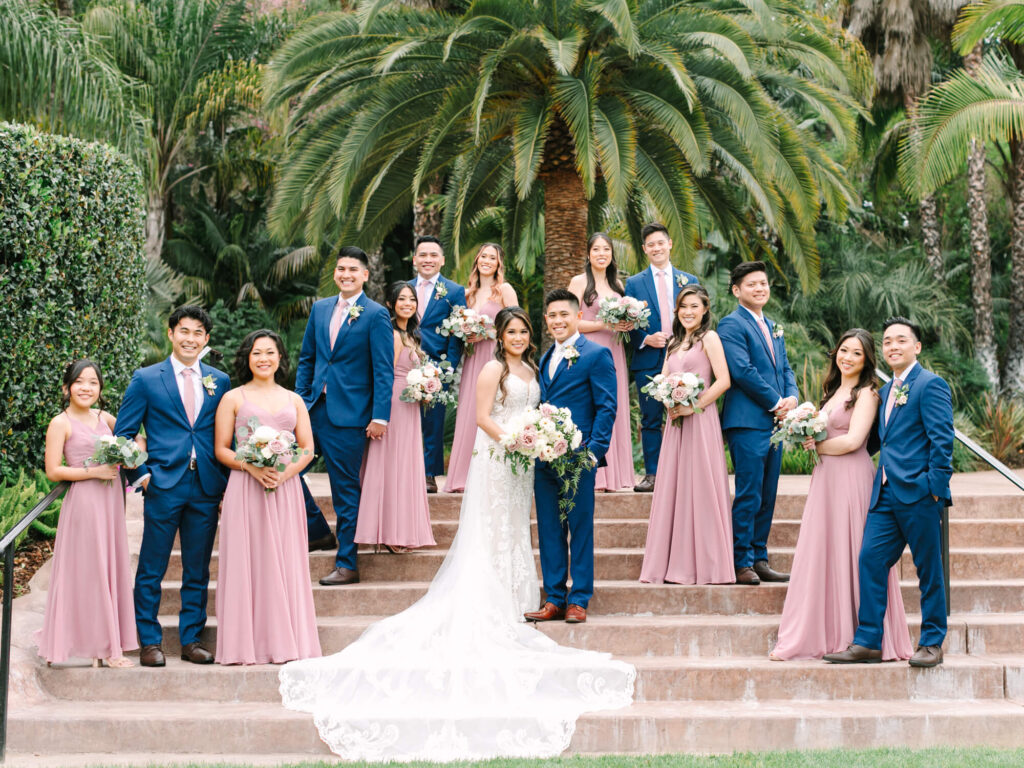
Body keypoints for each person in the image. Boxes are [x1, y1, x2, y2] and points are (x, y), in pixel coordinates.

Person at [279, 307, 634, 761]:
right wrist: (519, 443)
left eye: (526, 330)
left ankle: (574, 597)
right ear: (501, 336)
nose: (520, 336)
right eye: (514, 330)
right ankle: (542, 598)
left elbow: (601, 404)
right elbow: (482, 418)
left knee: (554, 527)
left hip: (550, 457)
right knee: (507, 527)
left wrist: (585, 449)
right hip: (506, 456)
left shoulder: (553, 361)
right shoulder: (498, 367)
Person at [771, 329, 913, 661]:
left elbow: (854, 441)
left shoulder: (867, 394)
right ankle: (822, 632)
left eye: (856, 353)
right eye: (844, 350)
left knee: (852, 550)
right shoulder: (834, 391)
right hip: (826, 479)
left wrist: (816, 444)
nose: (847, 357)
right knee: (825, 550)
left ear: (866, 361)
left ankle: (860, 635)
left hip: (851, 478)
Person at [824, 317, 954, 668]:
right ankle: (868, 641)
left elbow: (943, 442)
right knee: (870, 559)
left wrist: (935, 490)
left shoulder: (930, 384)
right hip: (883, 494)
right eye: (887, 342)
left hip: (920, 494)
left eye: (901, 340)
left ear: (917, 346)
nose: (893, 346)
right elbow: (876, 441)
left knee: (928, 569)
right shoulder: (883, 392)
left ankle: (931, 642)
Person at [115, 306, 230, 666]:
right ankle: (149, 640)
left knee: (198, 568)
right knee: (152, 566)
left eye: (198, 332)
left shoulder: (220, 380)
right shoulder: (147, 378)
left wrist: (225, 484)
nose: (190, 338)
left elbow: (221, 433)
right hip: (163, 484)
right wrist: (141, 475)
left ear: (206, 339)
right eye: (184, 331)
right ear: (171, 333)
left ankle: (191, 640)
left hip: (206, 485)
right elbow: (123, 435)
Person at [213, 330, 321, 665]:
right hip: (246, 488)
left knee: (285, 560)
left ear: (279, 358)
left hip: (285, 489)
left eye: (270, 352)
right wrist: (253, 468)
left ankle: (286, 639)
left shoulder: (295, 400)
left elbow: (307, 448)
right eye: (256, 352)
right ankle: (245, 643)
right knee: (249, 560)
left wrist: (286, 474)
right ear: (247, 358)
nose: (263, 358)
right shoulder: (233, 397)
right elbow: (221, 449)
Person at [295, 246, 394, 587]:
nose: (346, 274)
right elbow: (308, 357)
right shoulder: (320, 309)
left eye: (353, 269)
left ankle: (347, 563)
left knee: (345, 491)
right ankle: (319, 531)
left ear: (365, 275)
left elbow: (383, 369)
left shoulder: (375, 314)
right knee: (288, 471)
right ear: (335, 273)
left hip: (350, 417)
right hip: (312, 411)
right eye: (341, 268)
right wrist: (299, 401)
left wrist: (381, 415)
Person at [36, 360, 137, 668]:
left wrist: (131, 458)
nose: (86, 388)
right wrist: (93, 471)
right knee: (88, 571)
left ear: (100, 389)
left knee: (109, 568)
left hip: (110, 503)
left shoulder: (106, 418)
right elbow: (53, 470)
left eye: (93, 382)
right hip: (84, 503)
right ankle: (100, 648)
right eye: (80, 382)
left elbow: (129, 446)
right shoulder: (60, 423)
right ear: (67, 387)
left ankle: (106, 645)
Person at [524, 290, 617, 625]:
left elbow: (607, 406)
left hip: (579, 458)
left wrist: (594, 451)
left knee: (579, 528)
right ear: (546, 320)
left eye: (564, 314)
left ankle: (579, 599)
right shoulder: (544, 358)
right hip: (544, 458)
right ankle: (554, 598)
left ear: (578, 315)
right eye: (552, 315)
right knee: (549, 528)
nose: (558, 321)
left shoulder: (596, 354)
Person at [639, 287, 734, 585]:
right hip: (675, 423)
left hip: (700, 421)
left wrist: (693, 406)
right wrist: (668, 400)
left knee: (701, 485)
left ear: (705, 309)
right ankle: (670, 562)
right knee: (675, 486)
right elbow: (661, 381)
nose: (688, 312)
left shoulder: (710, 339)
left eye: (694, 306)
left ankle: (707, 564)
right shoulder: (673, 344)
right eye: (683, 307)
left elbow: (723, 381)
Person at [717, 261, 797, 586]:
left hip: (776, 423)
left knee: (768, 492)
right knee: (749, 492)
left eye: (763, 283)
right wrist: (777, 402)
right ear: (737, 290)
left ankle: (760, 557)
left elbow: (786, 370)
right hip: (748, 421)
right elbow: (742, 371)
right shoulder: (731, 324)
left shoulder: (774, 325)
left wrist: (791, 399)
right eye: (752, 284)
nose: (760, 288)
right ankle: (741, 561)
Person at [355, 282, 437, 551]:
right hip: (394, 401)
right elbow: (384, 371)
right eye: (401, 299)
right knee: (390, 463)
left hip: (410, 404)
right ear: (390, 304)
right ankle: (389, 531)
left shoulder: (413, 335)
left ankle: (402, 528)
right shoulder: (390, 334)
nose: (407, 304)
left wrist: (425, 388)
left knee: (405, 464)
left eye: (411, 299)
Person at [624, 223, 699, 492]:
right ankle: (653, 474)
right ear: (645, 250)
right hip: (649, 360)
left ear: (670, 244)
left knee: (686, 414)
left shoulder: (689, 281)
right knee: (651, 418)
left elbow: (700, 319)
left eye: (660, 243)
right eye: (650, 245)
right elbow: (625, 325)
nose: (656, 248)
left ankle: (688, 473)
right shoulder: (633, 283)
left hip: (685, 358)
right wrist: (645, 338)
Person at [443, 243, 517, 493]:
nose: (487, 260)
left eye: (492, 257)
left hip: (496, 356)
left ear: (499, 263)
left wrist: (486, 331)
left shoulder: (504, 290)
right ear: (477, 260)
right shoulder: (466, 294)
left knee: (496, 409)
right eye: (483, 256)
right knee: (470, 410)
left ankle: (496, 473)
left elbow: (517, 323)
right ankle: (463, 476)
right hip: (473, 358)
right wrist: (465, 332)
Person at [567, 233, 636, 492]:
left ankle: (615, 475)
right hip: (588, 350)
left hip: (614, 350)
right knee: (591, 407)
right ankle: (592, 474)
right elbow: (570, 321)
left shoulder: (617, 284)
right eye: (596, 249)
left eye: (606, 249)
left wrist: (629, 323)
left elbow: (622, 321)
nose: (601, 254)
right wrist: (603, 324)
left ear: (611, 254)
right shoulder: (578, 282)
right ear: (588, 254)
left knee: (611, 406)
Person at [407, 235, 467, 493]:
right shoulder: (404, 288)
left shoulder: (454, 291)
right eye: (423, 255)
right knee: (404, 420)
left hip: (437, 365)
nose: (428, 259)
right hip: (405, 362)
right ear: (414, 260)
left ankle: (429, 474)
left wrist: (448, 367)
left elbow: (459, 332)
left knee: (433, 422)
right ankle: (404, 471)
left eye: (433, 255)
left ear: (442, 260)